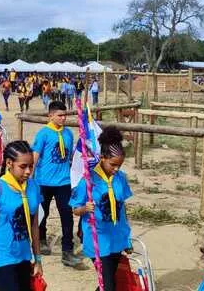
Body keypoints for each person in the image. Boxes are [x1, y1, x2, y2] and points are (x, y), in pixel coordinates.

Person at [69, 126, 134, 291]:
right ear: (102, 158)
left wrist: (127, 236)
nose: (116, 169)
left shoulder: (121, 178)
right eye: (113, 165)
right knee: (108, 285)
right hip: (98, 238)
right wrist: (85, 208)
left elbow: (123, 209)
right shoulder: (88, 181)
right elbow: (75, 209)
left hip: (117, 237)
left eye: (120, 165)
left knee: (107, 282)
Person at [0, 141, 43, 291]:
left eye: (31, 166)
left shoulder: (33, 187)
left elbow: (34, 225)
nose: (28, 171)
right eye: (23, 166)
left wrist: (38, 259)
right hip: (1, 258)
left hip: (24, 256)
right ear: (9, 163)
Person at [32, 101, 81, 267]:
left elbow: (70, 156)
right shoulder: (43, 134)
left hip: (64, 182)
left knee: (67, 216)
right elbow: (35, 156)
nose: (63, 118)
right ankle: (41, 239)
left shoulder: (68, 134)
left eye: (64, 115)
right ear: (50, 116)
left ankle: (67, 251)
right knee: (42, 213)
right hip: (43, 181)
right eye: (59, 115)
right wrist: (29, 178)